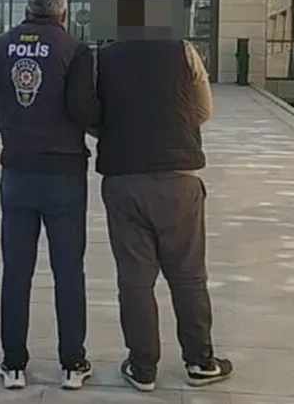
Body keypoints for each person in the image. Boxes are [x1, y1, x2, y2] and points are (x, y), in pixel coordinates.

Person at [0, 0, 99, 391]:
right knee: (68, 270)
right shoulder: (75, 50)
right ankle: (72, 363)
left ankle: (13, 363)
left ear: (27, 10)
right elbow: (82, 110)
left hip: (17, 171)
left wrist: (14, 127)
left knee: (17, 270)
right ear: (63, 12)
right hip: (64, 174)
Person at [93, 38, 233, 392]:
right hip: (179, 177)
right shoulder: (184, 51)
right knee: (188, 275)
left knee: (135, 279)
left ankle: (142, 367)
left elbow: (91, 115)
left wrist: (119, 130)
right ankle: (200, 361)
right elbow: (203, 110)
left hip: (124, 179)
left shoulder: (103, 58)